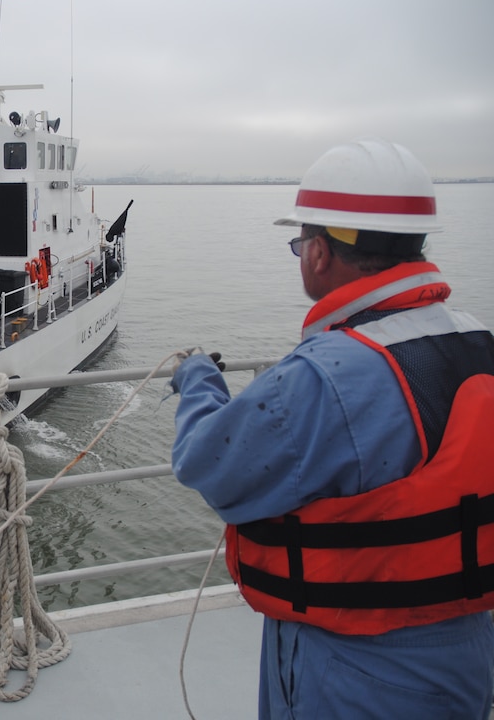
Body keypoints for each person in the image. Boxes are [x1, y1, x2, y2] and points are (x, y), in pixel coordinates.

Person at [169, 138, 494, 719]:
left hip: (355, 667)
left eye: (298, 243)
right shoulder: (477, 339)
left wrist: (198, 380)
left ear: (319, 253)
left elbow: (206, 463)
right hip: (467, 649)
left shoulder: (327, 376)